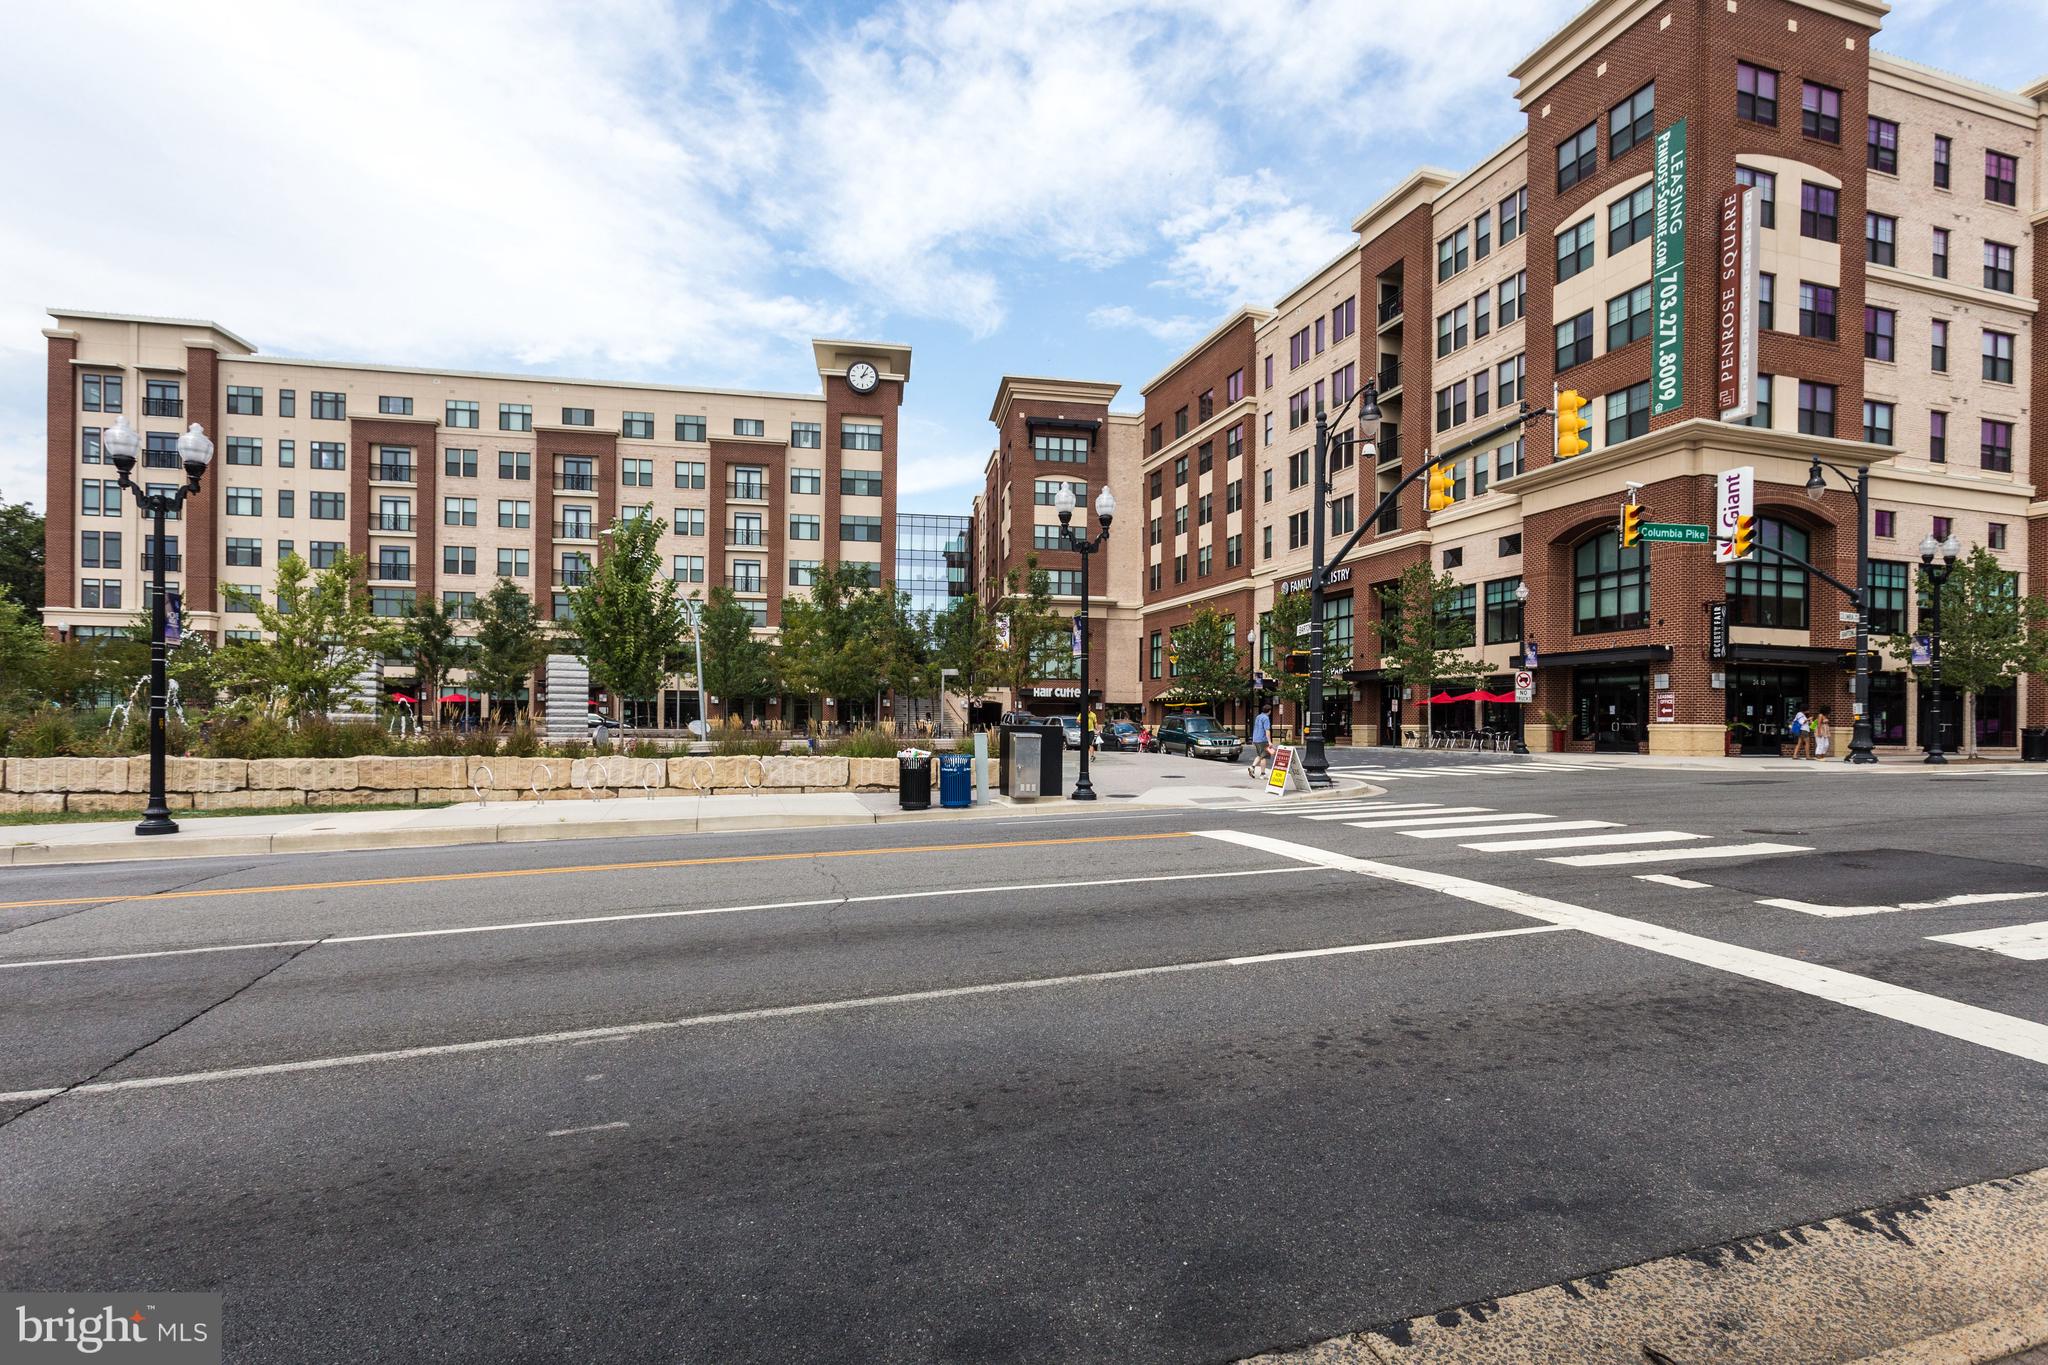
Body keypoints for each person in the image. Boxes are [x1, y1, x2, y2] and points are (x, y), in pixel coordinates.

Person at [1247, 704, 1273, 778]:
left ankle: (1252, 767)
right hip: (1263, 740)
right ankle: (1263, 774)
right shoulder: (1266, 718)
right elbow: (1267, 730)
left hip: (1256, 739)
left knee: (1260, 755)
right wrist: (1269, 741)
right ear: (1269, 711)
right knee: (1264, 757)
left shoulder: (1258, 717)